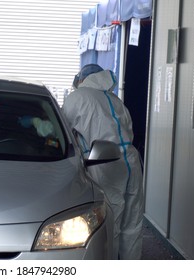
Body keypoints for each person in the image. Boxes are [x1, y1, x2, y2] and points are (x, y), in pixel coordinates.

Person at [62, 64, 144, 260]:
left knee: (110, 221)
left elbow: (64, 130)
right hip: (131, 162)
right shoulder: (115, 100)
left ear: (81, 80)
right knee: (132, 223)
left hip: (104, 162)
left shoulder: (78, 98)